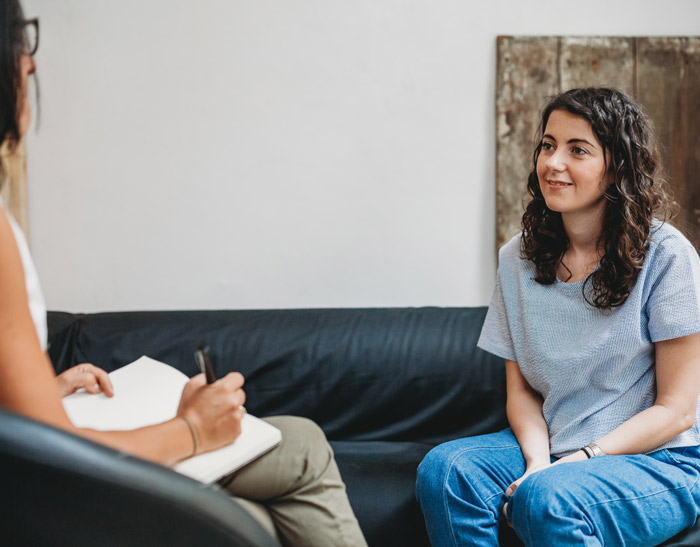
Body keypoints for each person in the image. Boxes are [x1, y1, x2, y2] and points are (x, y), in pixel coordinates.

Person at [0, 2, 366, 545]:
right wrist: (191, 430)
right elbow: (47, 461)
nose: (30, 62)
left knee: (264, 516)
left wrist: (37, 392)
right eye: (19, 40)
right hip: (46, 498)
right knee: (299, 450)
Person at [416, 87, 700, 546]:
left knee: (548, 499)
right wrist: (537, 464)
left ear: (616, 169)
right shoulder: (517, 259)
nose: (552, 163)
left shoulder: (667, 256)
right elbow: (522, 390)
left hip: (661, 458)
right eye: (548, 145)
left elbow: (677, 411)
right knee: (446, 471)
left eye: (578, 149)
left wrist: (583, 459)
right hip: (557, 446)